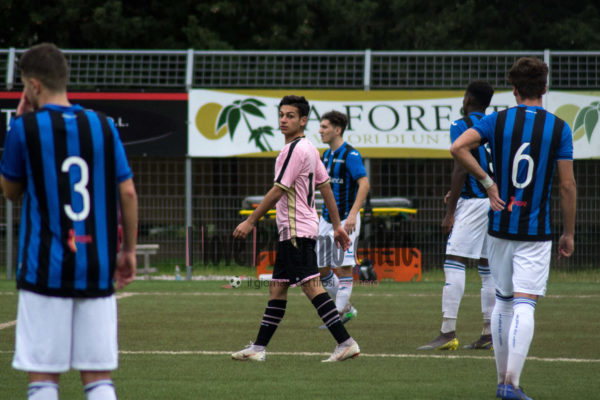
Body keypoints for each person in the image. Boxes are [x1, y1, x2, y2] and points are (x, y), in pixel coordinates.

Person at [1, 43, 138, 400]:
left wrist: (17, 123)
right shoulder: (103, 126)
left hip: (43, 267)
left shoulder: (25, 128)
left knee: (43, 380)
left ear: (33, 86)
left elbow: (10, 191)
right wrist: (128, 251)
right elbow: (128, 192)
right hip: (97, 265)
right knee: (98, 379)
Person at [451, 57, 576, 400]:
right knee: (525, 303)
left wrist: (488, 183)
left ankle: (502, 384)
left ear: (514, 89)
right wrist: (568, 233)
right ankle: (511, 384)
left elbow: (458, 147)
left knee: (504, 303)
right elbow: (567, 186)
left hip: (499, 226)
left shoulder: (497, 120)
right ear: (545, 89)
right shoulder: (559, 127)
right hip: (535, 231)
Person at [232, 95, 360, 362]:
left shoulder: (293, 150)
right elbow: (325, 187)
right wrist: (337, 226)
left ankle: (346, 342)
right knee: (277, 288)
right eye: (281, 115)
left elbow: (278, 190)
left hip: (296, 232)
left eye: (290, 116)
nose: (283, 120)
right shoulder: (310, 148)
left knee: (312, 287)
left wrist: (251, 221)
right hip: (298, 230)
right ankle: (258, 348)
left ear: (303, 120)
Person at [418, 80, 496, 351]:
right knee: (487, 267)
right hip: (494, 200)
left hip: (473, 203)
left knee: (454, 260)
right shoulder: (495, 125)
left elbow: (461, 168)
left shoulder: (460, 125)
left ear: (467, 100)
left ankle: (447, 332)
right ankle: (489, 333)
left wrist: (449, 213)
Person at [316, 110, 369, 327]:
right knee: (321, 268)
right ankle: (346, 308)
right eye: (320, 126)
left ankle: (338, 315)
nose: (320, 130)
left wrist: (353, 214)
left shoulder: (351, 155)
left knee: (344, 266)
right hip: (326, 219)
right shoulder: (325, 155)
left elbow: (364, 184)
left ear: (337, 130)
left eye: (324, 127)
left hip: (346, 219)